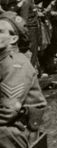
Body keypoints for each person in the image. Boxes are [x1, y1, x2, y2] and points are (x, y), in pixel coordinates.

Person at [0, 12, 47, 148]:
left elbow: (8, 111)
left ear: (13, 39)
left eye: (0, 31)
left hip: (16, 130)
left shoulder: (17, 64)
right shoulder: (2, 60)